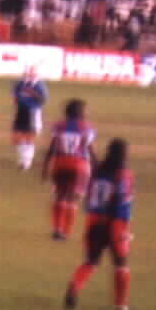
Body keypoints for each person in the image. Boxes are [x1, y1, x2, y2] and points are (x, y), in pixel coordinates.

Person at [64, 139, 133, 310]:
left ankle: (74, 286)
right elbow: (122, 201)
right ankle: (120, 304)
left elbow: (87, 196)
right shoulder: (124, 174)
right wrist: (123, 231)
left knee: (91, 261)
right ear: (125, 154)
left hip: (94, 221)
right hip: (115, 223)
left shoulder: (97, 172)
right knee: (121, 264)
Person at [41, 99, 97, 241]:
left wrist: (45, 166)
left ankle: (57, 229)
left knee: (60, 196)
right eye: (85, 110)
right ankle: (66, 232)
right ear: (80, 112)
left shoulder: (58, 126)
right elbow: (89, 148)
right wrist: (98, 167)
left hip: (61, 163)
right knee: (73, 199)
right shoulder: (87, 127)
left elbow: (52, 148)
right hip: (80, 165)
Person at [11, 67, 48, 171]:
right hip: (21, 111)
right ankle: (23, 159)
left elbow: (43, 100)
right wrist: (17, 100)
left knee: (29, 137)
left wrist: (32, 93)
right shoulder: (20, 83)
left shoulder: (40, 86)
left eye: (31, 74)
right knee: (16, 136)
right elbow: (15, 93)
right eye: (27, 73)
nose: (28, 75)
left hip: (32, 112)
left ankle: (26, 162)